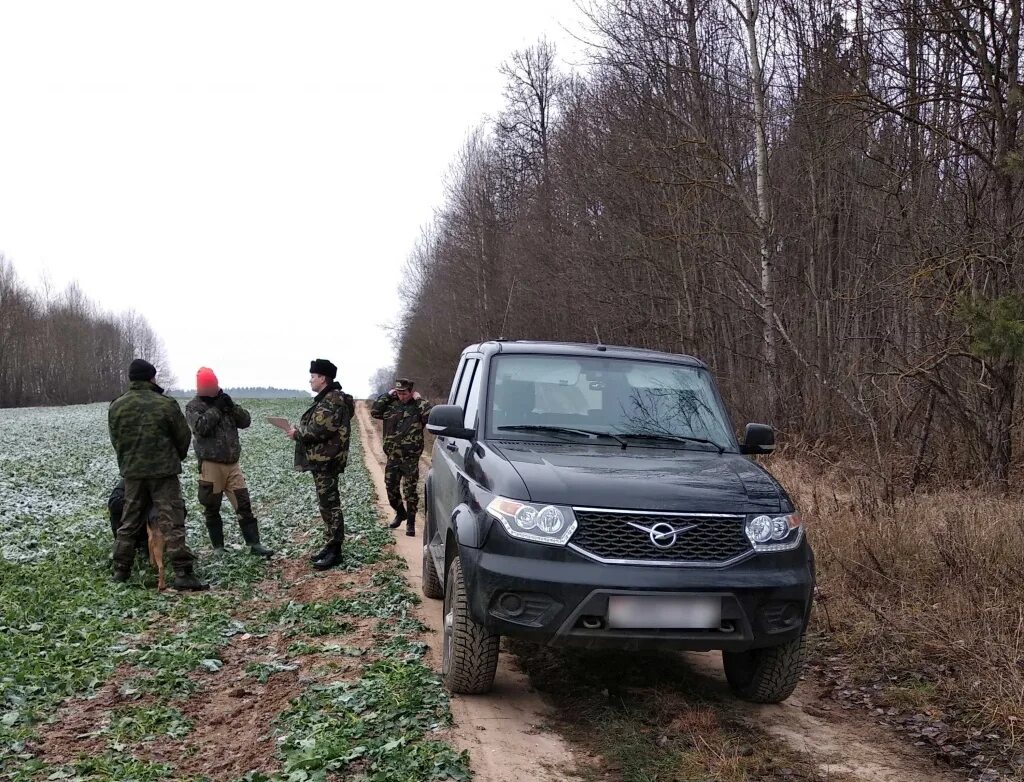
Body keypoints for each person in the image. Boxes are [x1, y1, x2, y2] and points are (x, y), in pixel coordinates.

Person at [108, 358, 208, 590]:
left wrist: (129, 462)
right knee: (172, 520)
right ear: (152, 378)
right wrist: (174, 458)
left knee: (129, 520)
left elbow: (116, 440)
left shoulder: (117, 405)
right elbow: (183, 437)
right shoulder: (165, 404)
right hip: (164, 473)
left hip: (132, 473)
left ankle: (121, 570)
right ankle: (183, 573)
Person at [185, 367, 274, 557]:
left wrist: (231, 407)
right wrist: (216, 409)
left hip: (233, 464)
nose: (213, 389)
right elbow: (201, 427)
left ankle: (254, 544)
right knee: (212, 507)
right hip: (211, 464)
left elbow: (246, 421)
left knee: (243, 504)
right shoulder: (194, 407)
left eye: (214, 385)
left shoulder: (226, 403)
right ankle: (218, 548)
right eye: (209, 386)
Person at [287, 358, 353, 570]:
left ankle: (335, 550)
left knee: (330, 505)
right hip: (323, 460)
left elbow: (319, 430)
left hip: (327, 461)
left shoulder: (332, 401)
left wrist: (297, 433)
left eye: (313, 377)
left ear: (322, 378)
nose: (310, 380)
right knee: (326, 504)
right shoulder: (328, 399)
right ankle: (330, 544)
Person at [370, 377, 432, 537]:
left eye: (404, 393)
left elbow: (430, 416)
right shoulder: (391, 405)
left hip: (410, 458)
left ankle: (410, 522)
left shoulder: (418, 407)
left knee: (410, 491)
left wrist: (419, 400)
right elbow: (375, 411)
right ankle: (400, 512)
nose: (401, 396)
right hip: (393, 456)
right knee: (390, 488)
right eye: (398, 392)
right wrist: (388, 395)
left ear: (411, 392)